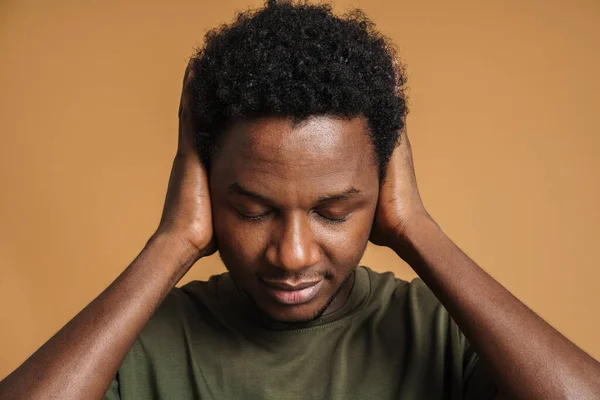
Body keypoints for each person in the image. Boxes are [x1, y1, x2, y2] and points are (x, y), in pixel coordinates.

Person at [1, 1, 599, 399]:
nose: (291, 255)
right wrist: (170, 243)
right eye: (253, 210)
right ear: (206, 187)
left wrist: (417, 226)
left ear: (383, 189)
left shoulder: (440, 333)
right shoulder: (139, 345)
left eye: (334, 211)